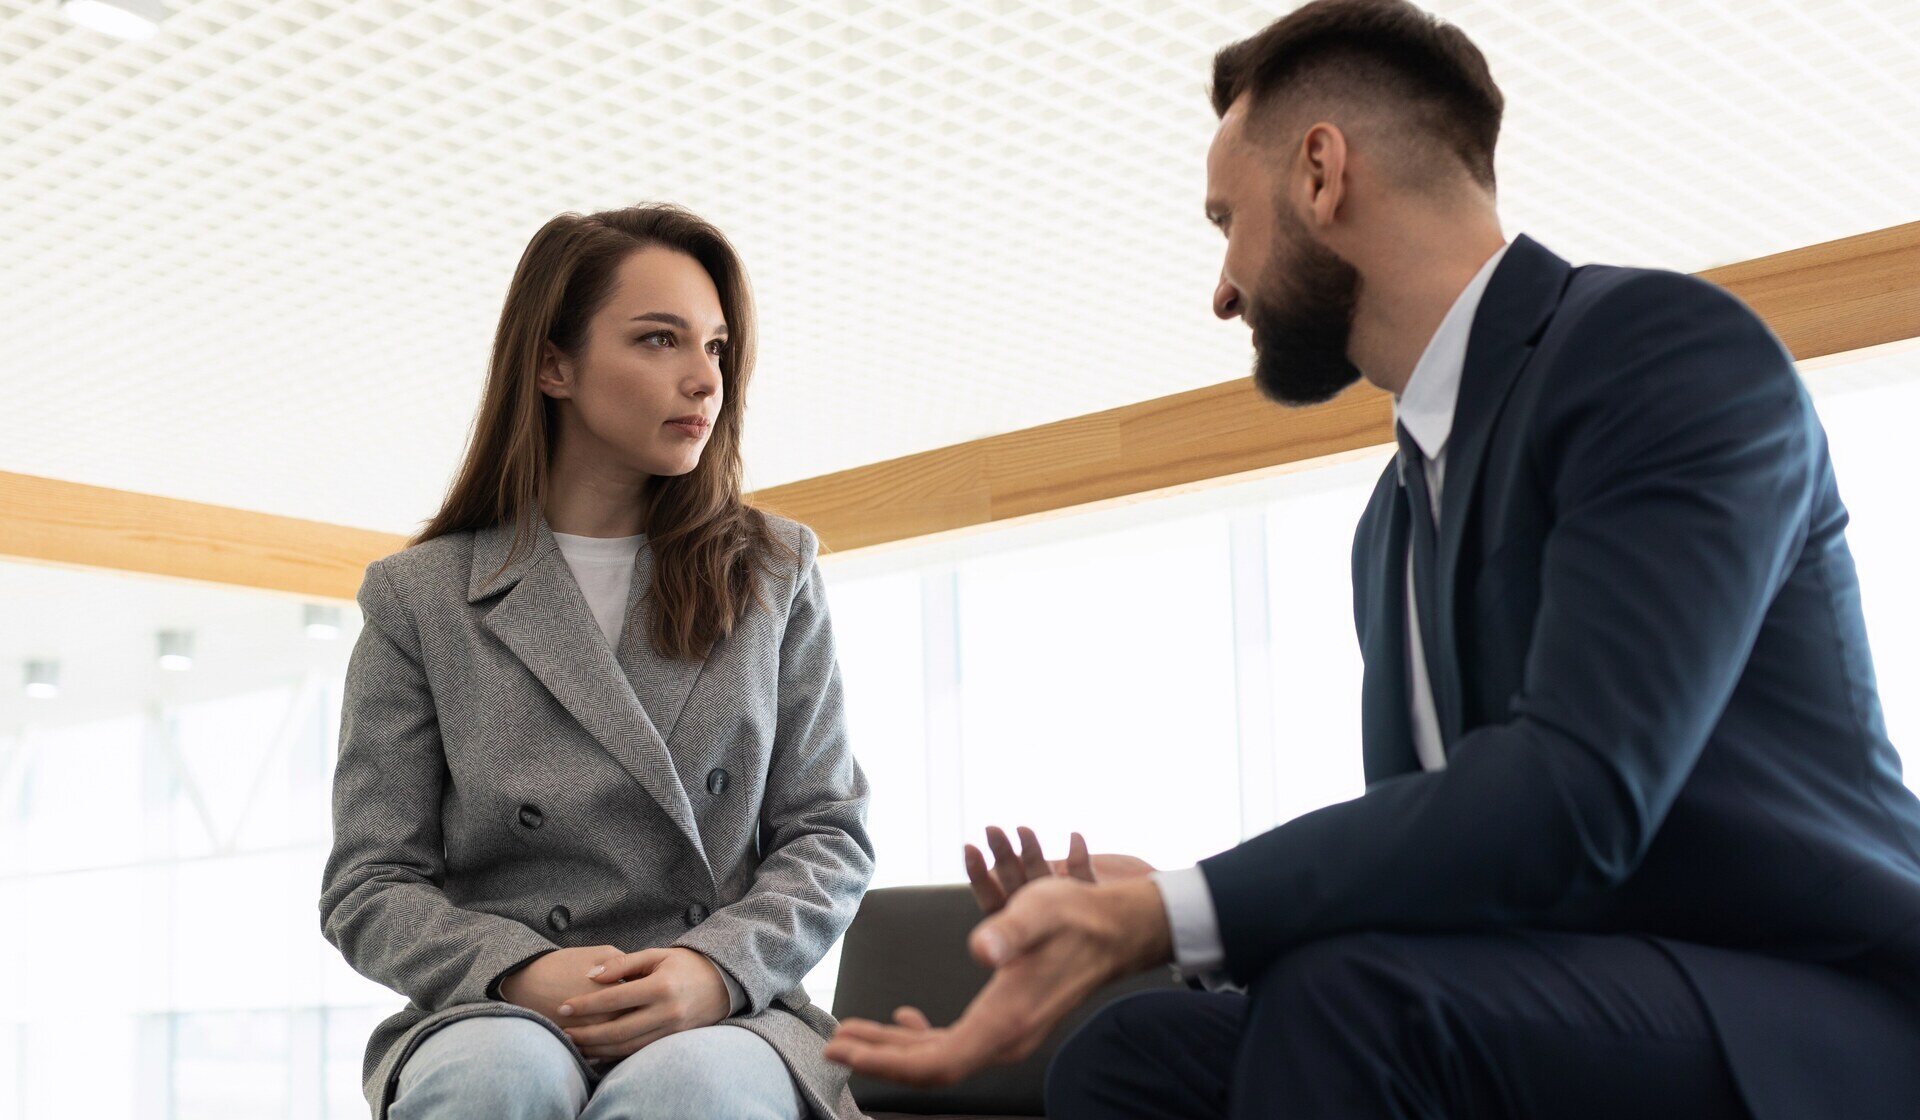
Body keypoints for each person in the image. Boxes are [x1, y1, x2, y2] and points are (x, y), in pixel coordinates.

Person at [823, 2, 1920, 1117]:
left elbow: (1575, 796)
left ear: (1318, 174)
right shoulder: (1392, 518)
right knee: (1134, 1049)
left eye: (1225, 220)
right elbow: (1455, 857)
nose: (1222, 290)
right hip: (1565, 997)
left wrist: (1174, 909)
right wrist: (1162, 902)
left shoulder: (1656, 352)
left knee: (1350, 1002)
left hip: (1807, 1009)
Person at [319, 203, 874, 1120]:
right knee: (494, 1079)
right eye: (659, 340)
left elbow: (828, 835)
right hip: (497, 1007)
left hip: (729, 1014)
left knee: (689, 1092)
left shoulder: (775, 570)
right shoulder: (418, 598)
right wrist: (520, 973)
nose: (705, 380)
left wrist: (714, 969)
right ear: (553, 364)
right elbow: (369, 882)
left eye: (717, 347)